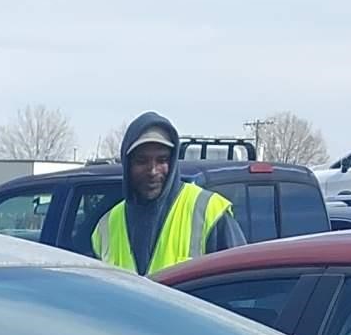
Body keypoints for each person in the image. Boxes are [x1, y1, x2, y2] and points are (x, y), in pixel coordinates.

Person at [91, 114, 244, 276]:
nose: (152, 171)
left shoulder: (209, 211)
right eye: (142, 161)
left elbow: (241, 289)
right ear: (128, 164)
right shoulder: (106, 227)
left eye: (162, 160)